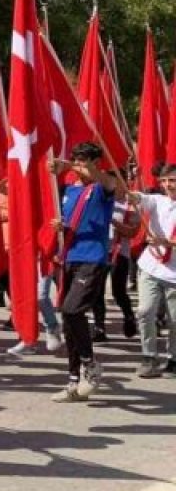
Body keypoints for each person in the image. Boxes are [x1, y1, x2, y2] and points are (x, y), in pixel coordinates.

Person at [43, 143, 125, 403]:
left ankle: (90, 364)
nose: (79, 165)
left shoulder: (101, 187)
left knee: (72, 310)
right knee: (68, 322)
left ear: (96, 163)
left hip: (93, 259)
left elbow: (111, 183)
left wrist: (75, 167)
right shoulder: (69, 190)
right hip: (69, 258)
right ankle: (73, 380)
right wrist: (60, 226)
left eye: (85, 161)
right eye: (77, 160)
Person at [133, 163, 176, 378]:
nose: (168, 185)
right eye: (164, 181)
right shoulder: (158, 200)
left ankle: (173, 359)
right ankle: (149, 356)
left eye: (173, 181)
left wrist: (166, 242)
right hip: (150, 267)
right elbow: (141, 199)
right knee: (145, 311)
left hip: (174, 274)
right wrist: (132, 196)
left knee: (174, 320)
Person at [93, 182, 140, 342]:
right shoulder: (101, 200)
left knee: (118, 292)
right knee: (97, 291)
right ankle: (99, 327)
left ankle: (129, 316)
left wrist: (112, 221)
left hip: (120, 253)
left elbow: (132, 232)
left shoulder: (130, 205)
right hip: (99, 252)